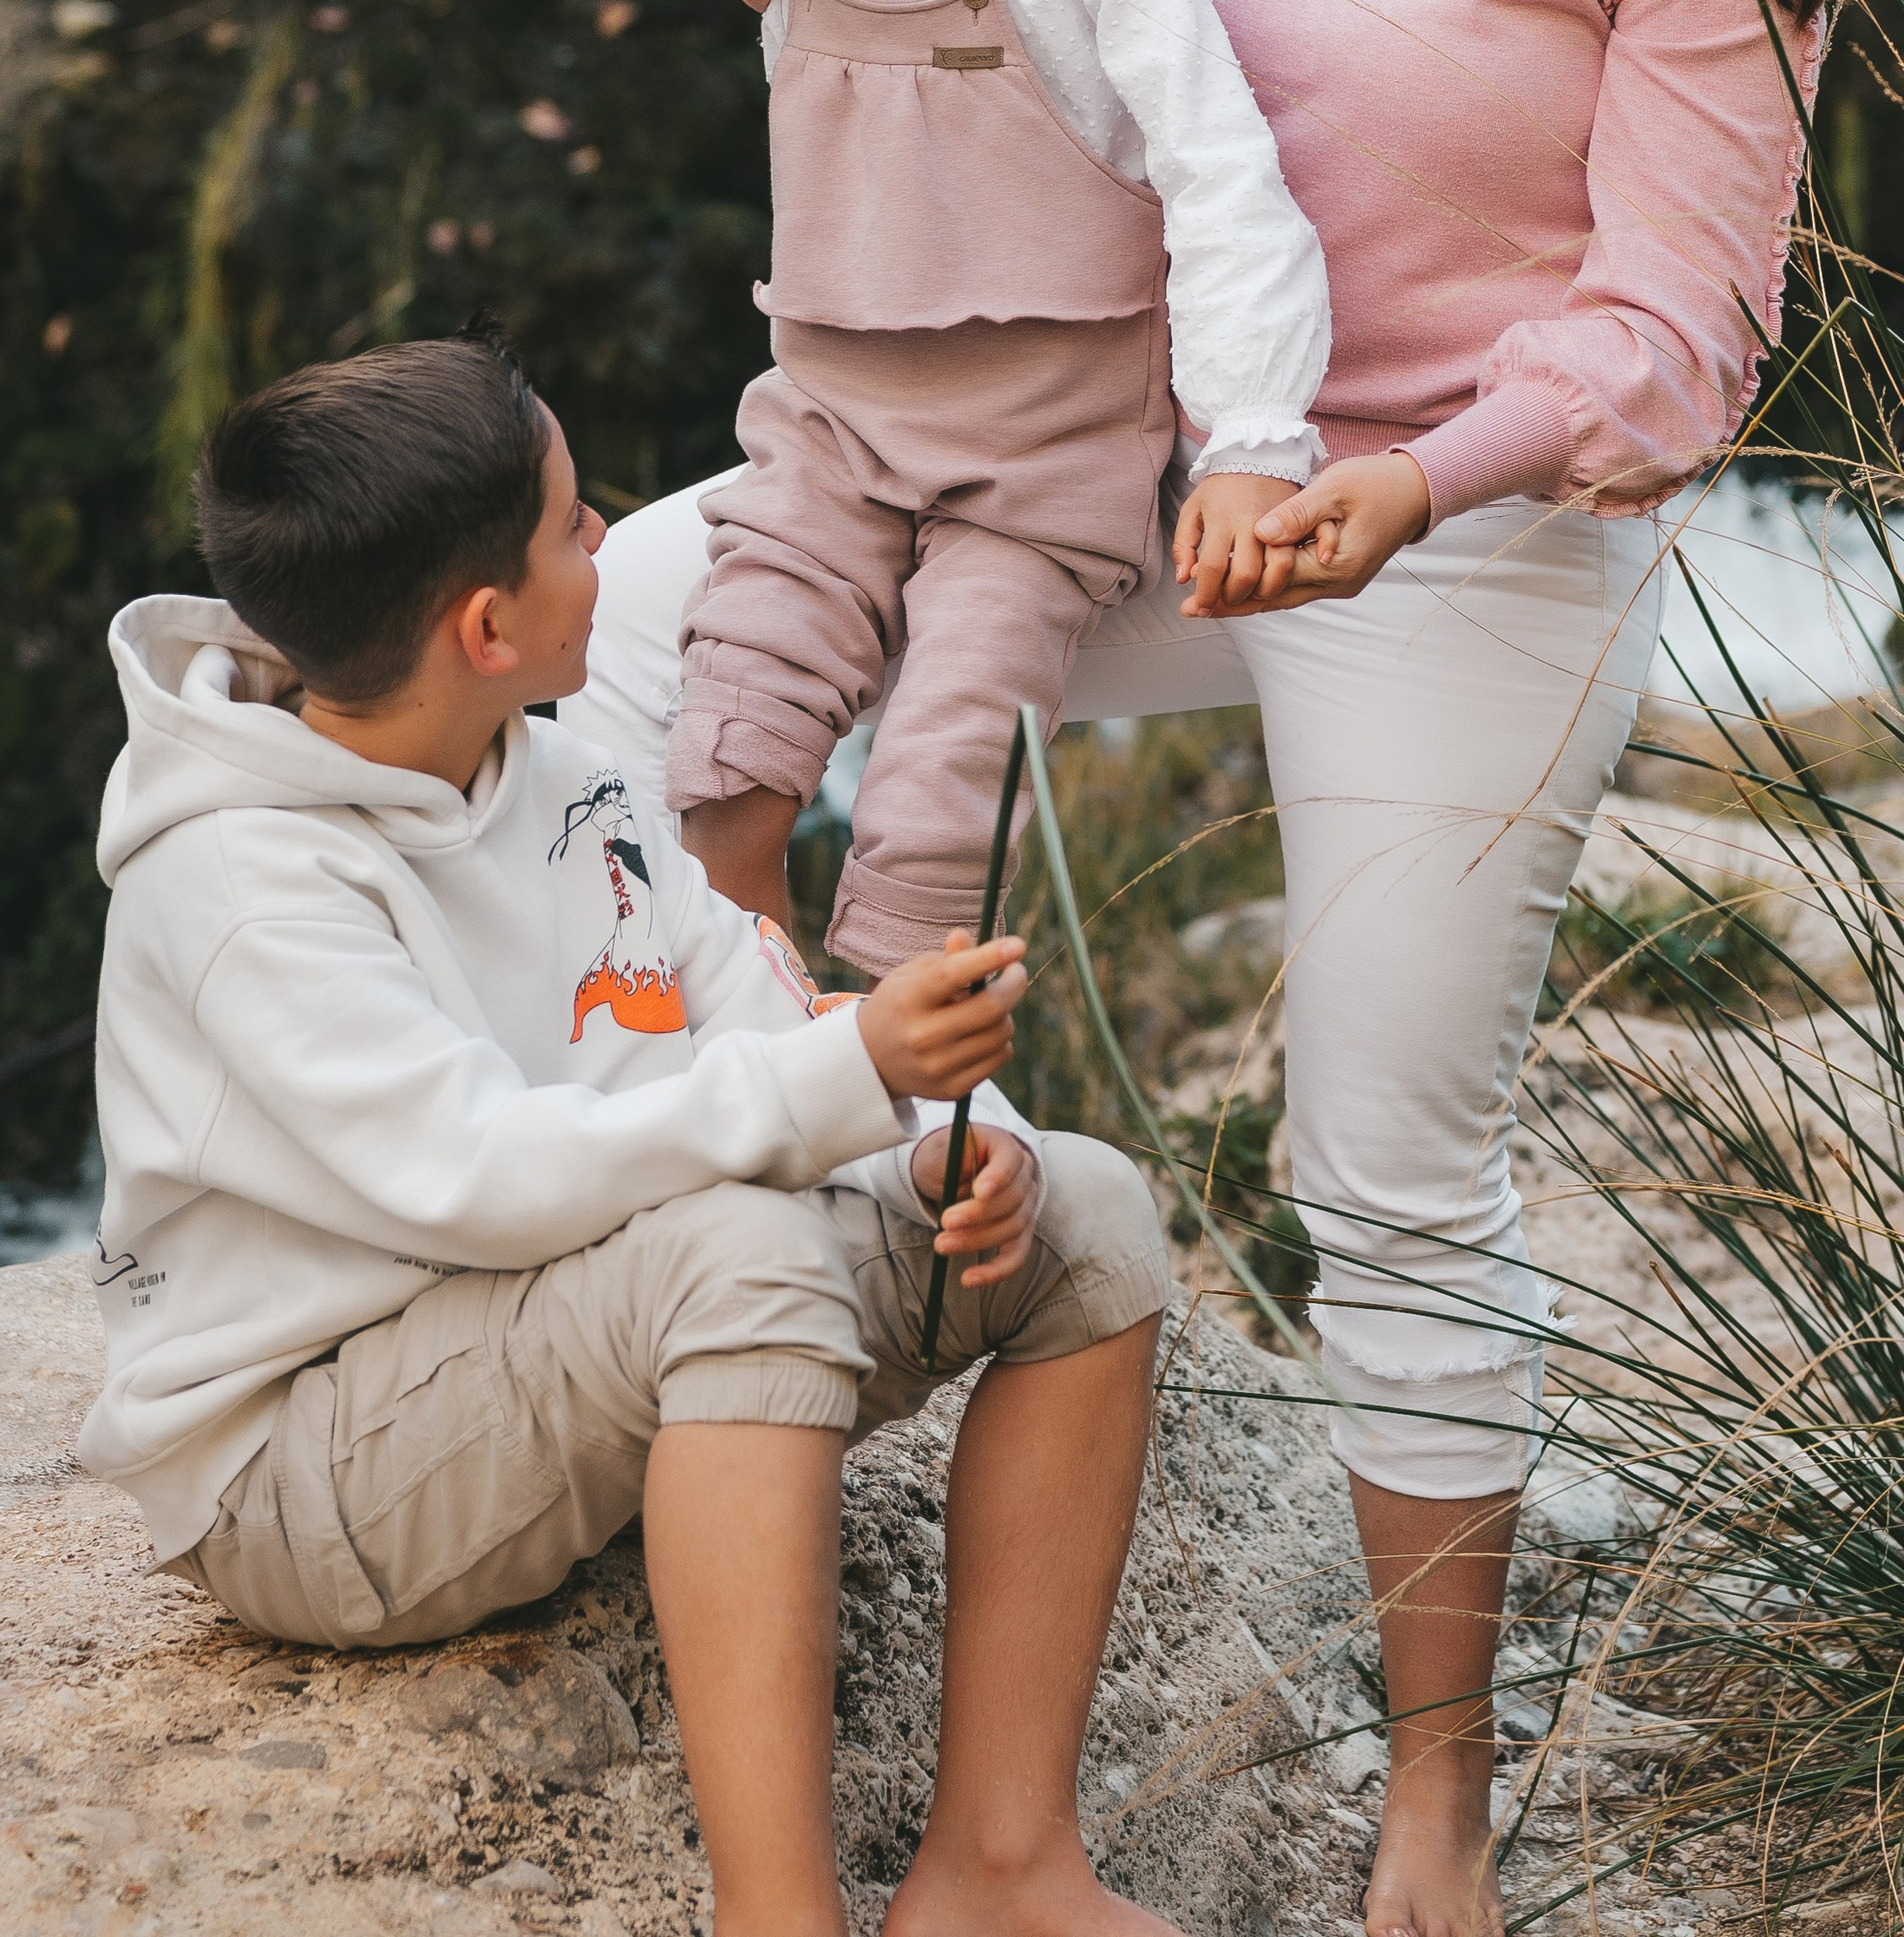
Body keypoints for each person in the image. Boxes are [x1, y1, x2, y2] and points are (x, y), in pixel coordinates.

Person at [663, 0, 1869, 1937]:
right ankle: (702, 1196)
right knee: (655, 631)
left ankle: (1434, 1813)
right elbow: (1099, 57)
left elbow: (1680, 333)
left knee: (1387, 1161)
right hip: (1164, 456)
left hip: (1481, 536)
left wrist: (1408, 491)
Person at [208, 0, 1331, 977]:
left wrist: (1256, 450)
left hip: (1042, 464)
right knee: (723, 762)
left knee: (942, 816)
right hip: (828, 433)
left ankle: (925, 1141)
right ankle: (759, 1099)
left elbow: (1225, 176)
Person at [80, 330, 1176, 1937]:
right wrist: (839, 1082)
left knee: (1087, 1215)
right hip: (309, 1468)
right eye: (574, 522)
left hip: (556, 1348)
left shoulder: (558, 763)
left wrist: (944, 1135)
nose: (613, 541)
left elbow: (740, 997)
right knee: (726, 1252)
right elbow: (486, 1178)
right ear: (485, 623)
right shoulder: (240, 886)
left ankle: (1000, 1869)